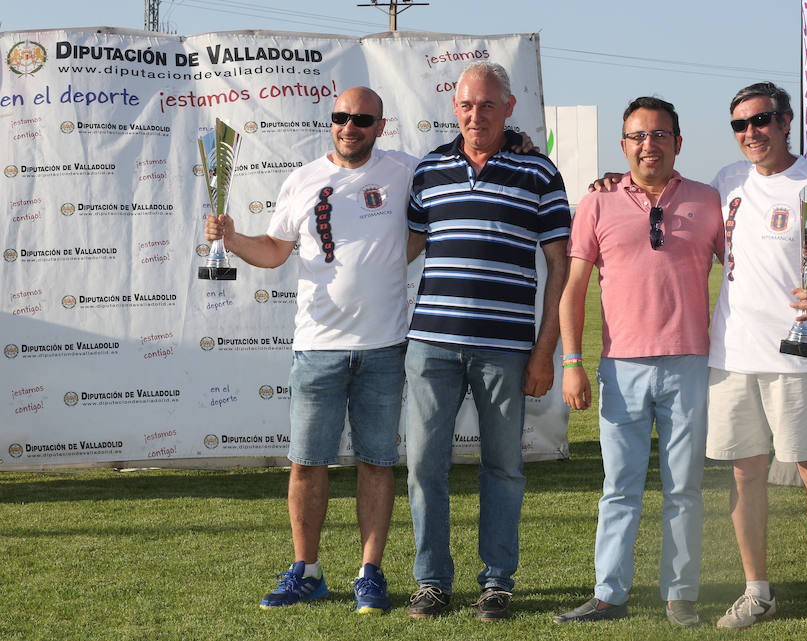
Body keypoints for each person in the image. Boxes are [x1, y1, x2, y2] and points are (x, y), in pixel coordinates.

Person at [205, 86, 416, 614]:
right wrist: (232, 239)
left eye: (362, 119)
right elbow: (275, 251)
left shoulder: (405, 170)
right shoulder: (302, 179)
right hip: (316, 349)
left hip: (384, 347)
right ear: (332, 122)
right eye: (342, 117)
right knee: (306, 464)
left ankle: (370, 572)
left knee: (376, 462)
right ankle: (307, 571)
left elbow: (464, 166)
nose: (350, 127)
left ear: (380, 126)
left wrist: (518, 140)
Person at [705, 82, 807, 634]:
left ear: (785, 122)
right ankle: (758, 592)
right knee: (744, 473)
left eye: (760, 121)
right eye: (739, 125)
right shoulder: (727, 181)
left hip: (799, 355)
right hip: (732, 355)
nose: (750, 133)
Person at [403, 61, 571, 621]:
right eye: (467, 105)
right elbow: (400, 250)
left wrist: (545, 349)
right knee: (425, 465)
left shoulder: (540, 173)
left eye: (488, 105)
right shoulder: (428, 170)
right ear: (455, 109)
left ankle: (496, 582)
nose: (476, 115)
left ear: (509, 107)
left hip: (505, 347)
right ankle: (431, 581)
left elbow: (560, 268)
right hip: (431, 345)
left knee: (503, 467)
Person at [553, 97, 724, 628]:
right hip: (621, 367)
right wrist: (572, 362)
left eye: (659, 134)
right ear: (624, 145)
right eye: (637, 136)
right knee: (619, 488)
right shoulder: (597, 203)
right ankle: (609, 593)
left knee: (685, 489)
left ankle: (680, 593)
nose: (648, 144)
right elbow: (573, 287)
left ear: (678, 141)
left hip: (690, 364)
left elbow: (744, 267)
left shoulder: (708, 200)